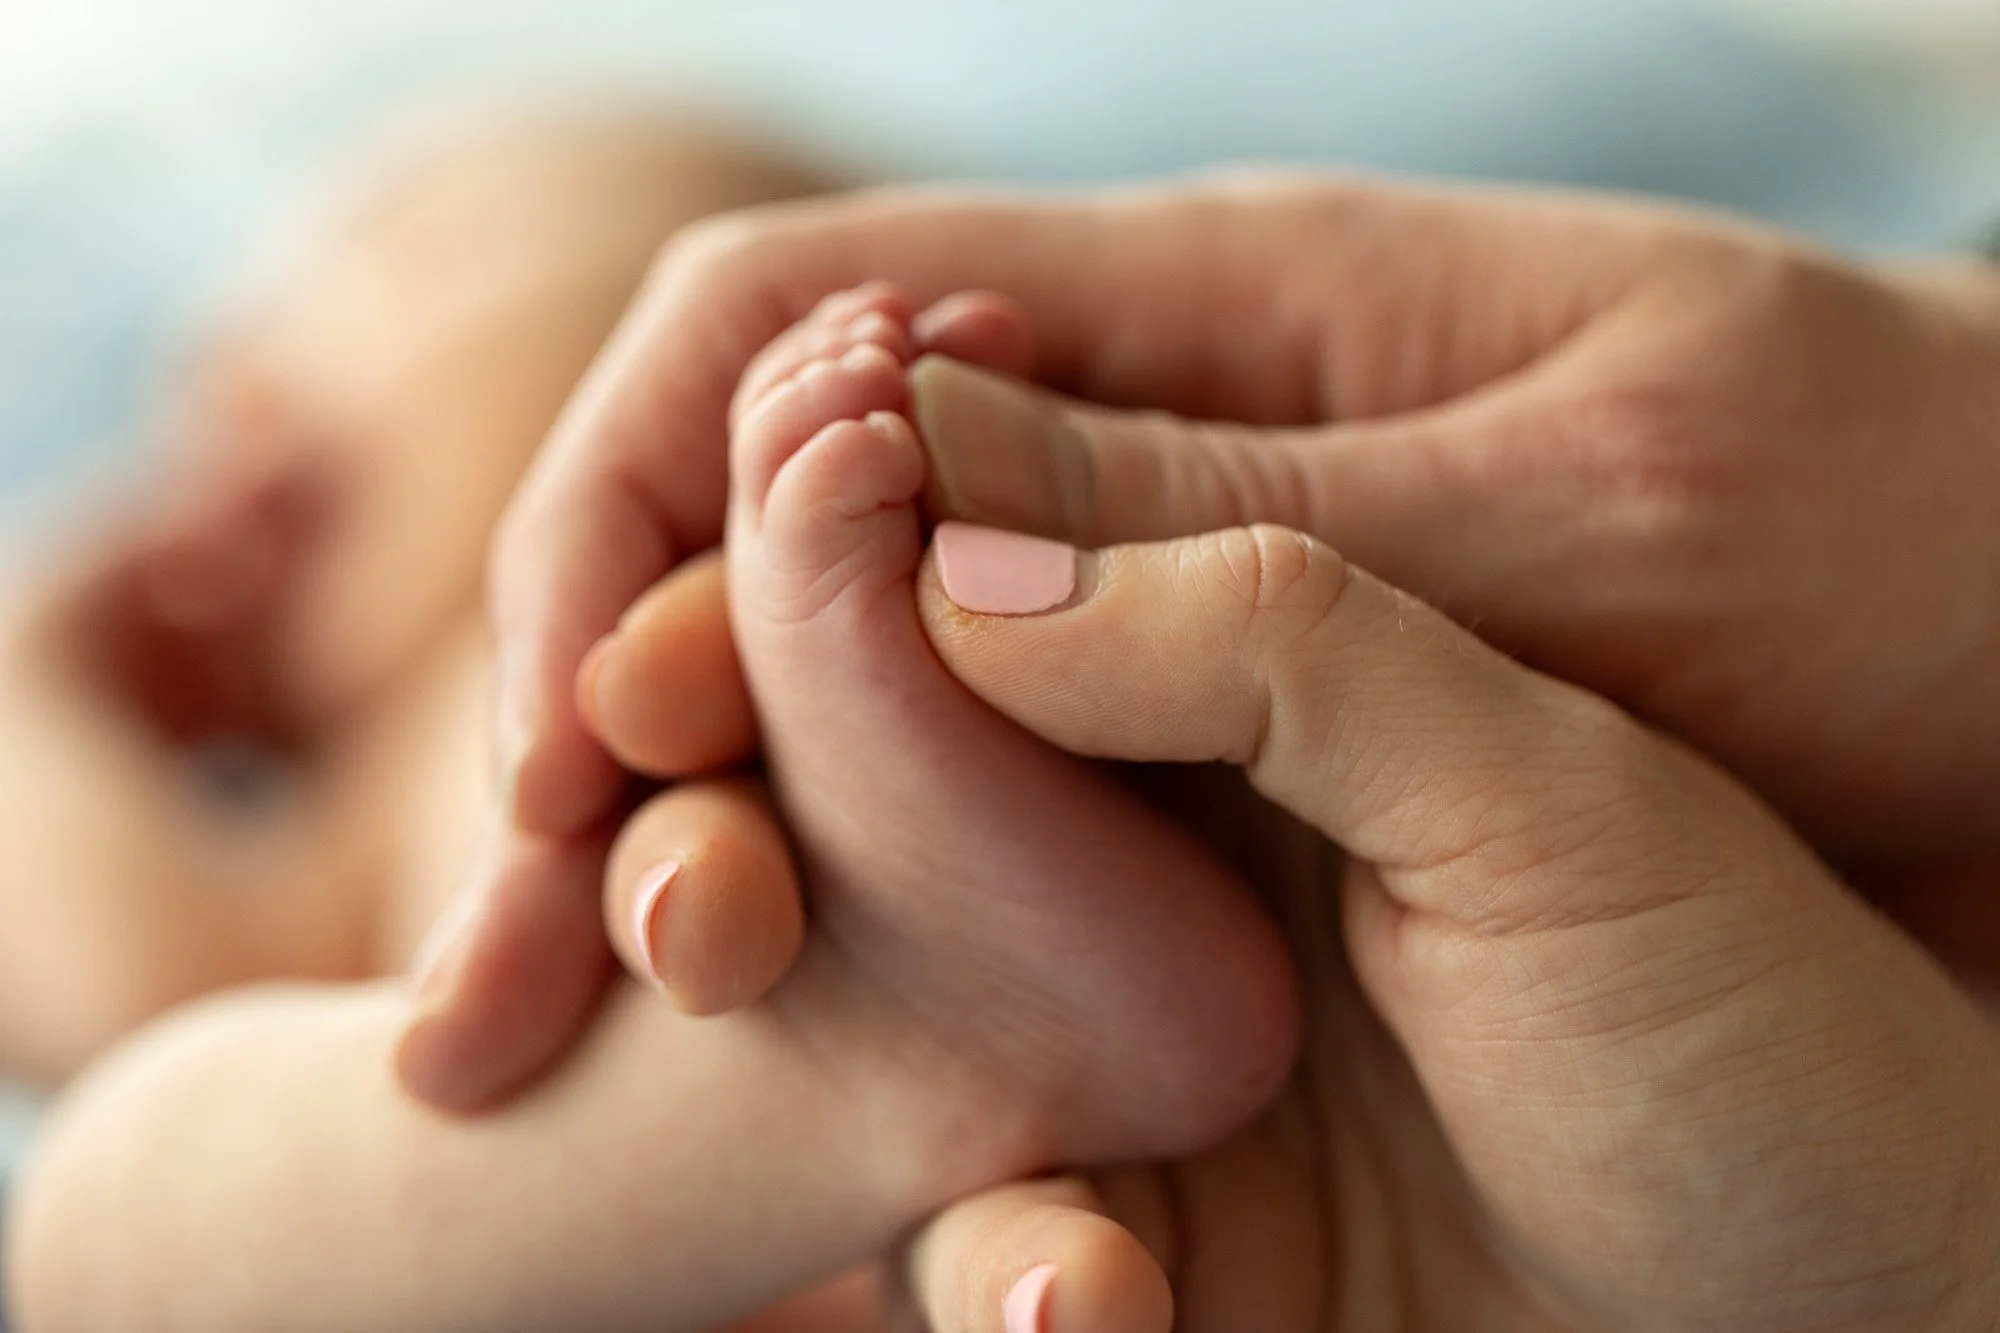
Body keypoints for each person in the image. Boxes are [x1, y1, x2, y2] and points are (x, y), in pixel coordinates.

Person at [395, 176, 2000, 1328]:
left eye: (414, 236)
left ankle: (889, 1058)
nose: (229, 388)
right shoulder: (308, 796)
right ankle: (882, 1074)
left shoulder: (453, 716)